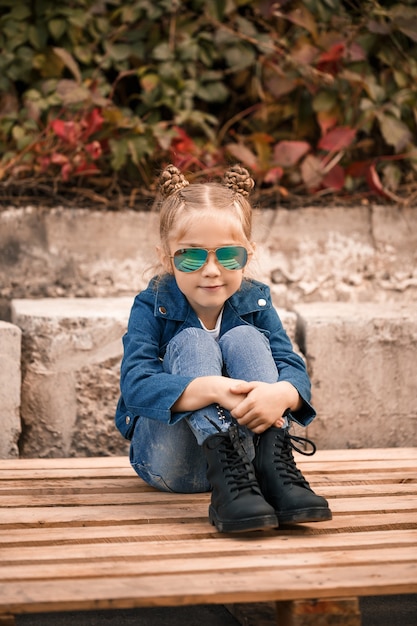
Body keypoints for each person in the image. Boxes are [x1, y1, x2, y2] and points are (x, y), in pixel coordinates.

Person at [115, 164, 332, 533]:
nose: (212, 270)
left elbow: (292, 367)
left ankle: (275, 463)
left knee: (245, 337)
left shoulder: (256, 301)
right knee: (193, 341)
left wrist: (280, 393)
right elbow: (136, 385)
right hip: (171, 465)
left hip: (247, 475)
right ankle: (230, 465)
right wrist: (212, 388)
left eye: (229, 255)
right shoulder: (151, 304)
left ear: (249, 252)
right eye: (192, 256)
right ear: (167, 256)